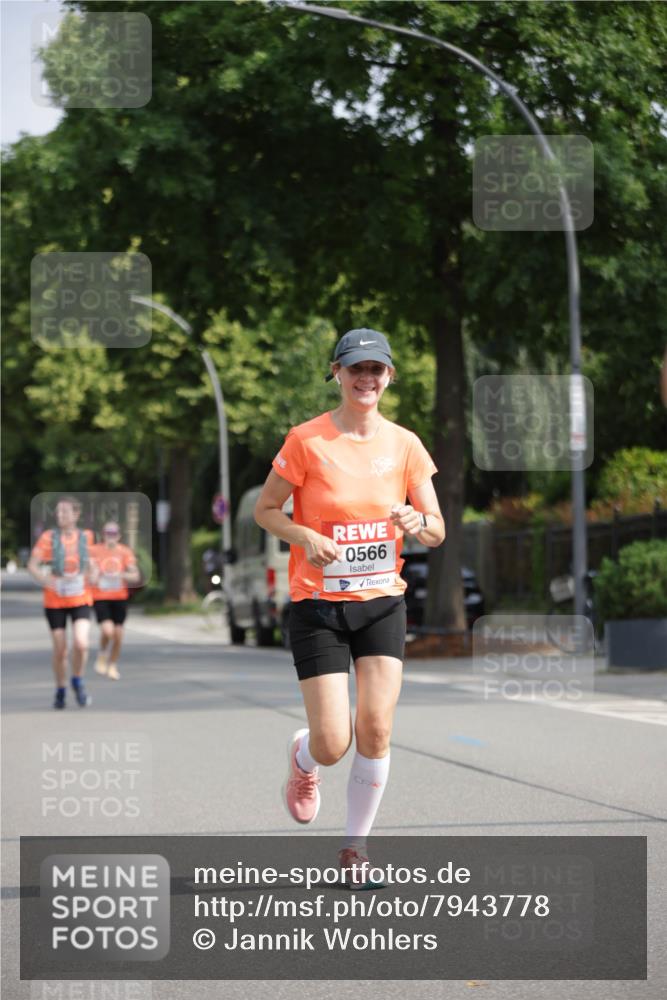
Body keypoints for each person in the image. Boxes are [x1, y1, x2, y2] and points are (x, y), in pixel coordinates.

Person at [254, 328, 445, 886]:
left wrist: (417, 521)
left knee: (377, 729)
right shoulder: (306, 440)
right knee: (334, 743)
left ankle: (355, 849)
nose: (366, 379)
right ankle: (304, 758)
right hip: (319, 605)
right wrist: (302, 536)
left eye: (376, 370)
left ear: (389, 377)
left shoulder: (405, 444)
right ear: (336, 373)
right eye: (355, 368)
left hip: (383, 602)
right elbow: (265, 510)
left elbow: (436, 529)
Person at [28, 496, 95, 709]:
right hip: (55, 600)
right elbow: (32, 565)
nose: (60, 516)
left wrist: (93, 574)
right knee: (60, 650)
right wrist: (46, 580)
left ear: (76, 514)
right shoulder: (49, 537)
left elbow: (93, 563)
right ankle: (60, 688)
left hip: (81, 598)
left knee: (81, 643)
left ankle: (78, 679)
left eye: (64, 512)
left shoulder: (87, 537)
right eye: (57, 512)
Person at [90, 522, 140, 680]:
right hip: (101, 596)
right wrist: (96, 574)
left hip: (119, 597)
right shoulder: (94, 551)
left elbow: (135, 576)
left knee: (118, 634)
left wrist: (120, 575)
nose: (110, 537)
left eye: (113, 533)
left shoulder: (125, 552)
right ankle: (103, 653)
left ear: (118, 536)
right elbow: (89, 574)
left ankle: (112, 664)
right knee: (107, 631)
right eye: (107, 533)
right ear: (102, 535)